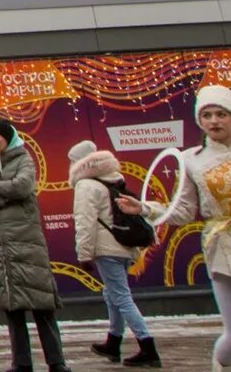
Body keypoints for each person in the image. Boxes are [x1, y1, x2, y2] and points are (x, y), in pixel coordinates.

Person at [117, 83, 231, 371]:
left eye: (221, 114)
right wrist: (143, 208)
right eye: (207, 115)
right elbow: (180, 211)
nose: (214, 121)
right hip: (222, 247)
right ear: (199, 120)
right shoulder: (192, 160)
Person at [0, 120, 72, 372]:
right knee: (12, 306)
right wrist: (4, 195)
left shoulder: (24, 159)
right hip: (1, 245)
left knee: (42, 305)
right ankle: (21, 362)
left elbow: (24, 186)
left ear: (7, 137)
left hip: (27, 242)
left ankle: (56, 361)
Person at [69, 139, 159, 367]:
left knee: (120, 296)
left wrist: (84, 254)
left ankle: (147, 347)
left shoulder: (86, 185)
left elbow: (85, 221)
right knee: (112, 294)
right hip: (124, 247)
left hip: (106, 248)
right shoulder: (114, 180)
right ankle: (113, 341)